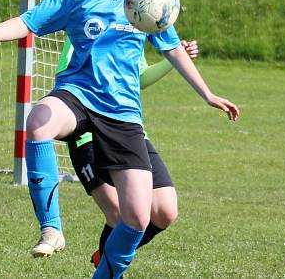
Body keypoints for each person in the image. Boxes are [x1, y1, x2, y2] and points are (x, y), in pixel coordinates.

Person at [0, 0, 239, 276]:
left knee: (138, 218)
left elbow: (171, 47)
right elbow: (29, 22)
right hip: (78, 94)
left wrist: (208, 94)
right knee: (38, 121)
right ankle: (52, 228)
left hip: (122, 111)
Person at [61, 36, 198, 268]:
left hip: (128, 132)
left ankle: (106, 254)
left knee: (165, 211)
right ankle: (108, 266)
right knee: (120, 214)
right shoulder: (86, 11)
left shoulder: (134, 26)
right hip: (88, 132)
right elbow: (66, 72)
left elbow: (141, 76)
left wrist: (174, 58)